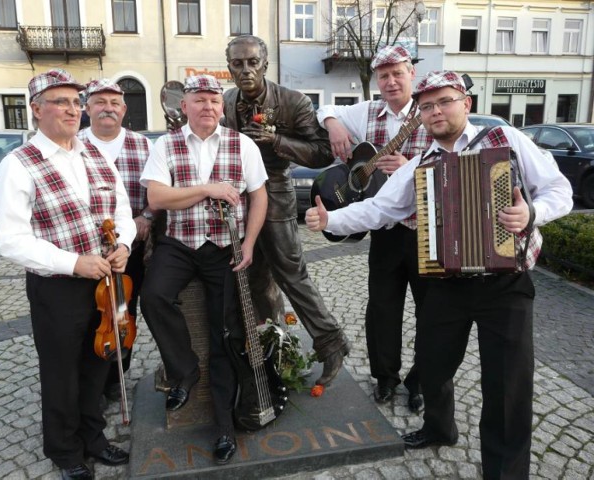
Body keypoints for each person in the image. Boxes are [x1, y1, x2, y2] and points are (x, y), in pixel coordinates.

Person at [306, 70, 572, 479]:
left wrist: (531, 213)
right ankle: (439, 428)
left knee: (506, 385)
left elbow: (559, 189)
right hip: (446, 281)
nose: (435, 111)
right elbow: (381, 209)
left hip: (506, 284)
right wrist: (332, 219)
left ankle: (504, 473)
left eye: (445, 101)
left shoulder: (506, 142)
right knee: (432, 364)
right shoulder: (423, 163)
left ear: (466, 104)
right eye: (427, 106)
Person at [0, 68, 135, 480]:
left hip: (105, 279)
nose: (72, 109)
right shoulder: (18, 164)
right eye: (61, 101)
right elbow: (11, 239)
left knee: (97, 365)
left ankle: (93, 437)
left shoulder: (93, 153)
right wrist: (74, 263)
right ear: (36, 110)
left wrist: (124, 244)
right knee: (61, 372)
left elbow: (121, 209)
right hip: (57, 288)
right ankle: (64, 449)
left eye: (76, 102)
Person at [139, 75, 268, 465]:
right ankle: (185, 370)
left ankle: (225, 428)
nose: (208, 106)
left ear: (221, 106)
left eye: (214, 100)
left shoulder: (241, 143)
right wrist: (207, 188)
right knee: (153, 296)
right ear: (185, 106)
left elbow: (259, 196)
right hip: (179, 244)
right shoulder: (167, 144)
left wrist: (248, 243)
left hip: (225, 246)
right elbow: (157, 197)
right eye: (199, 100)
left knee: (225, 334)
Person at [223, 34, 350, 386]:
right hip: (239, 199)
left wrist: (277, 141)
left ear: (265, 64)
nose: (246, 69)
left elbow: (323, 153)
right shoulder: (227, 100)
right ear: (229, 67)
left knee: (290, 273)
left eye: (252, 62)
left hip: (275, 193)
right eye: (238, 63)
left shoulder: (293, 102)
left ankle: (331, 341)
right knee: (253, 278)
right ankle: (271, 346)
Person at [316, 45, 431, 410]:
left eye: (398, 73)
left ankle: (421, 382)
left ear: (411, 73)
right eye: (384, 75)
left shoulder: (431, 109)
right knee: (382, 307)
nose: (391, 81)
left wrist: (412, 165)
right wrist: (333, 124)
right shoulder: (367, 112)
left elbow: (456, 161)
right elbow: (326, 108)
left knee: (431, 310)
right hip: (384, 230)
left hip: (427, 228)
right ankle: (385, 377)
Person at [77, 78, 154, 403]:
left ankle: (115, 377)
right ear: (88, 108)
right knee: (88, 314)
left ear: (123, 109)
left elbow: (158, 192)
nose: (107, 108)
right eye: (100, 102)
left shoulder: (143, 145)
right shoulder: (74, 142)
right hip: (84, 253)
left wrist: (145, 219)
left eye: (114, 103)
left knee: (123, 312)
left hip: (130, 250)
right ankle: (88, 381)